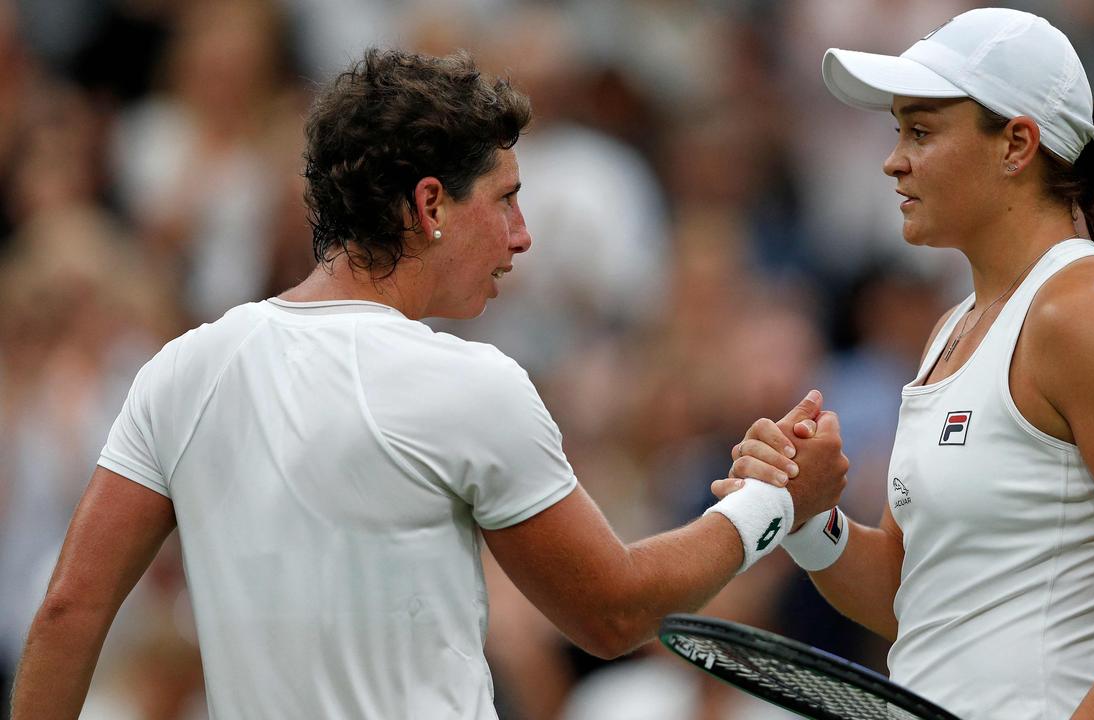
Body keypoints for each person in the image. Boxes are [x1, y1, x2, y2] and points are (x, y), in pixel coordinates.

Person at [8, 49, 849, 719]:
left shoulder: (181, 367)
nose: (524, 237)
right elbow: (612, 614)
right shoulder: (470, 386)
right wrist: (774, 501)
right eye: (508, 201)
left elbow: (68, 612)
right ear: (430, 204)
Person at [722, 8, 1094, 719]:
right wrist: (814, 518)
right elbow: (919, 600)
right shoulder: (951, 330)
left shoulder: (1083, 313)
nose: (892, 158)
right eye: (898, 130)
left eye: (922, 131)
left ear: (1016, 145)